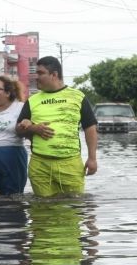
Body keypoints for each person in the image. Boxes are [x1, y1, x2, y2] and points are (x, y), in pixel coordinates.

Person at [16, 56, 98, 197]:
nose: (36, 77)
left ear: (54, 74)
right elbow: (18, 130)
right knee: (43, 212)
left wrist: (92, 158)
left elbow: (90, 128)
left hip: (70, 164)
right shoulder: (32, 100)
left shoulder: (77, 97)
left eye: (41, 73)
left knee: (73, 211)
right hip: (40, 165)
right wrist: (33, 128)